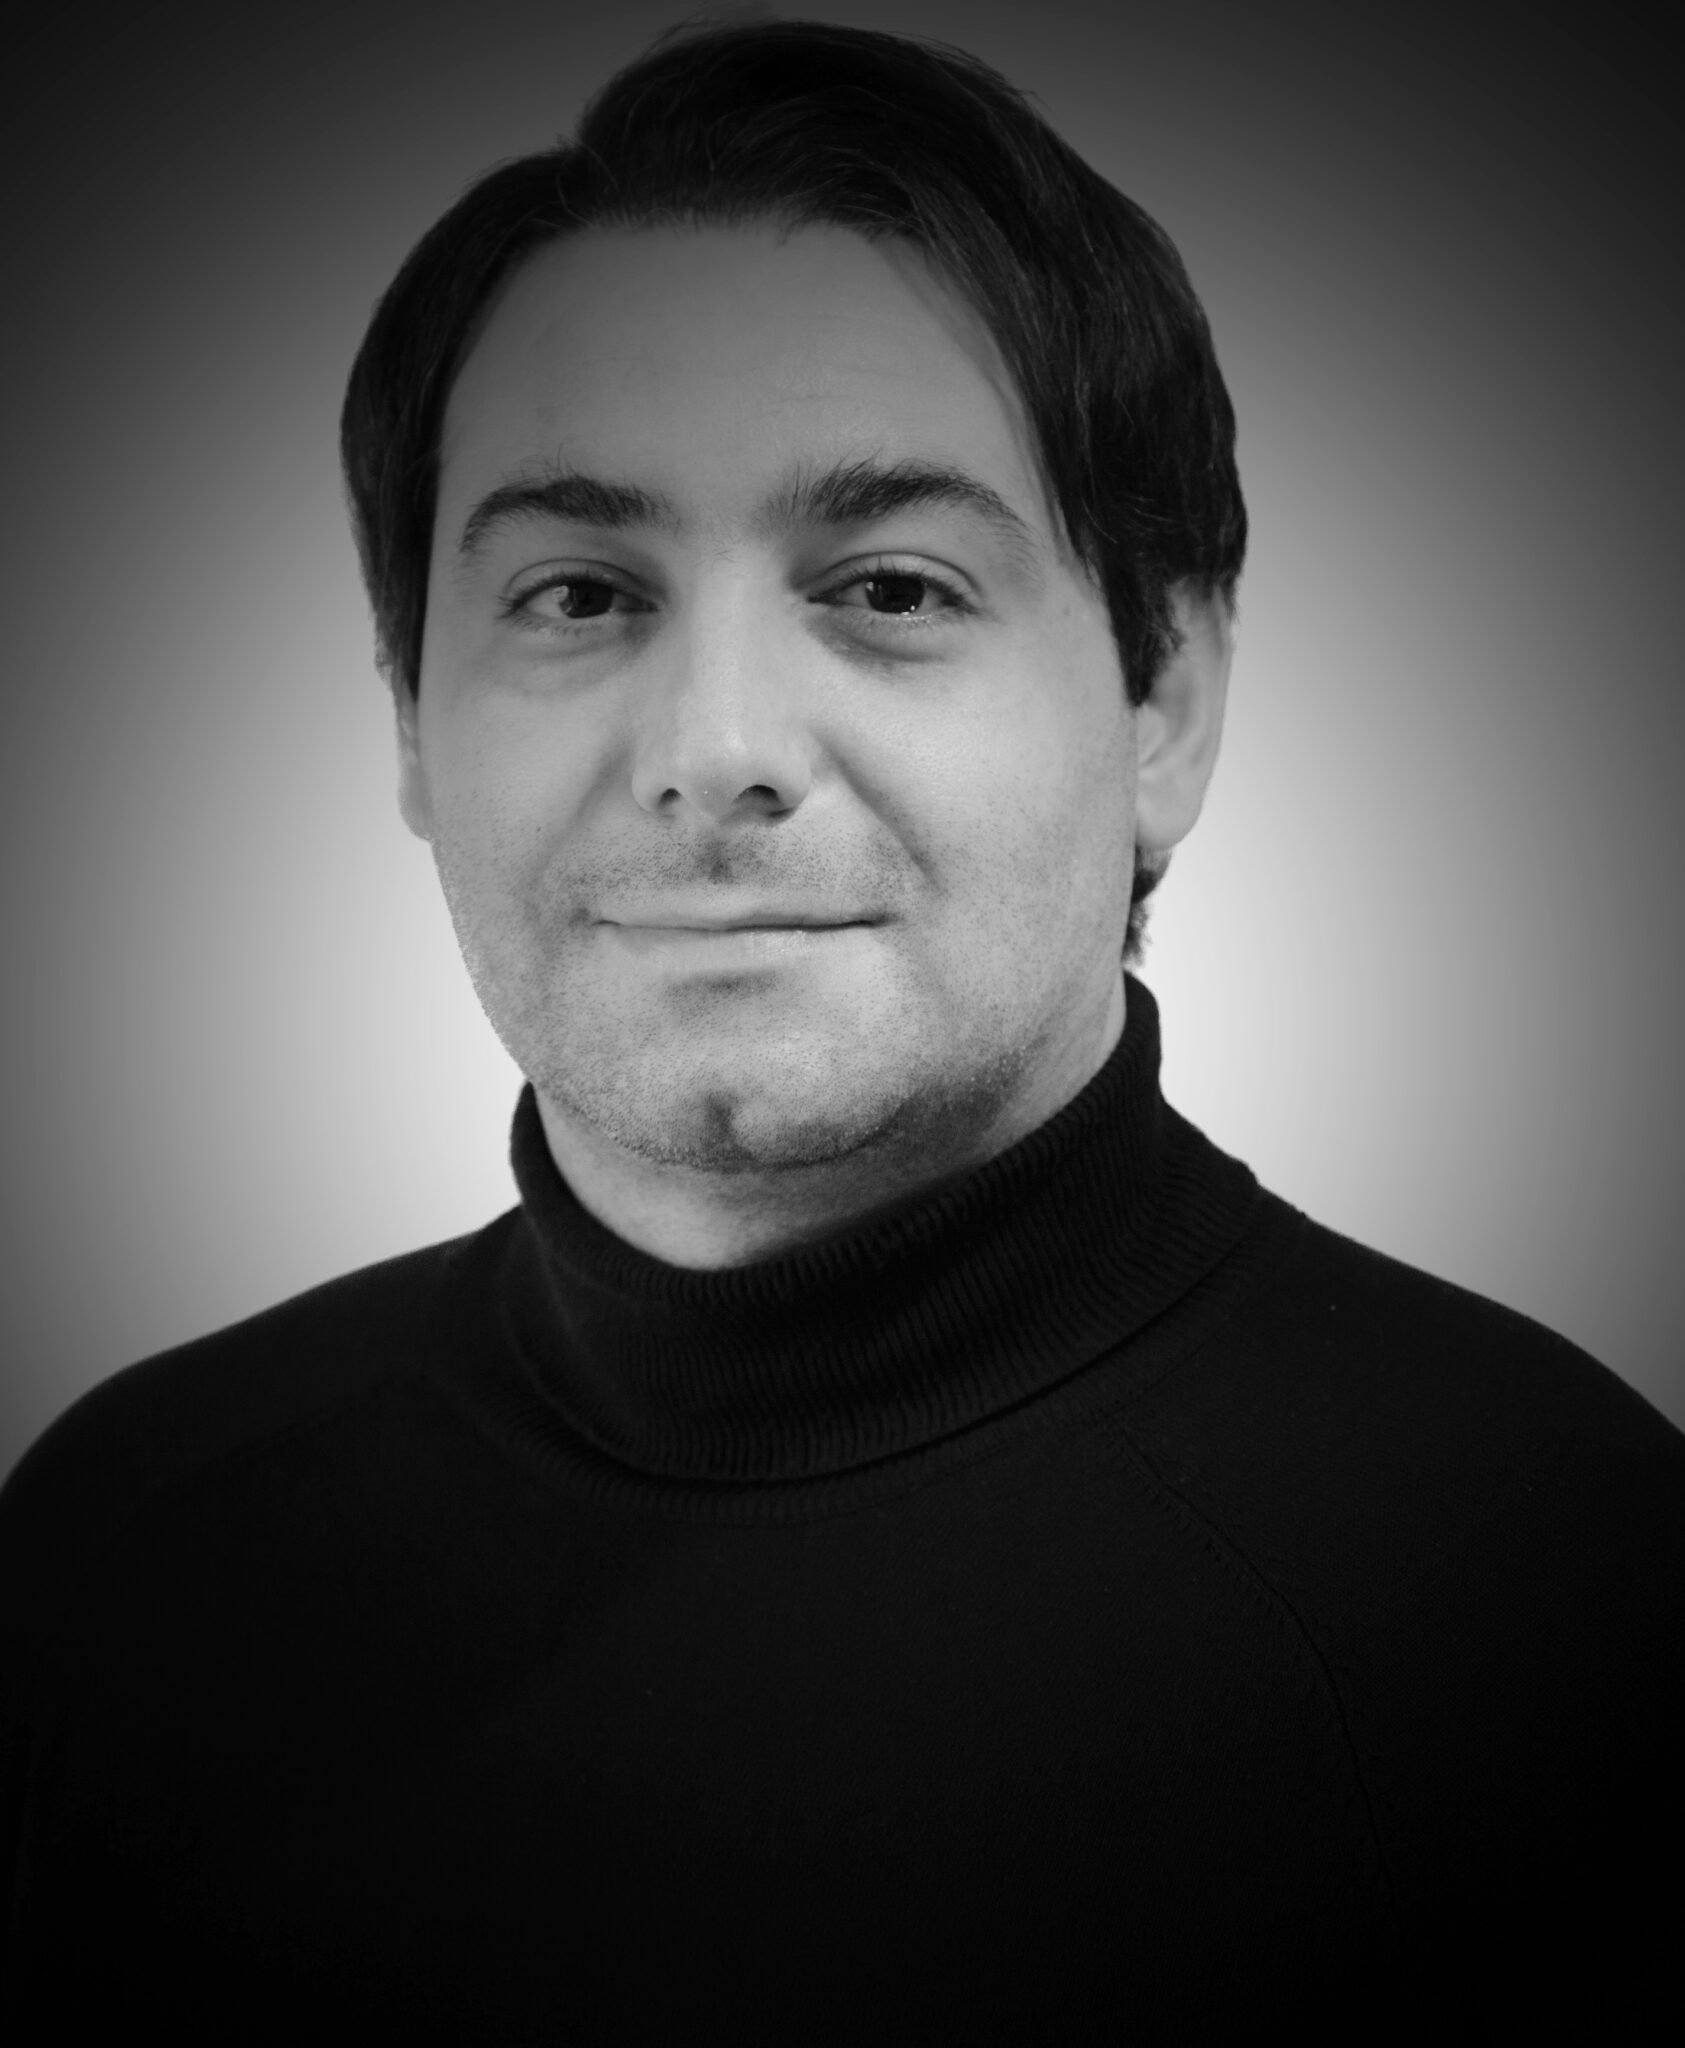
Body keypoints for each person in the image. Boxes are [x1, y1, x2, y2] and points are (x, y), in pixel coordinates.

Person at [2, 15, 1680, 2037]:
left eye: (888, 587)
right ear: (413, 724)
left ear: (1163, 701)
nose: (714, 748)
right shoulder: (122, 1545)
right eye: (577, 593)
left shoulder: (1555, 1598)